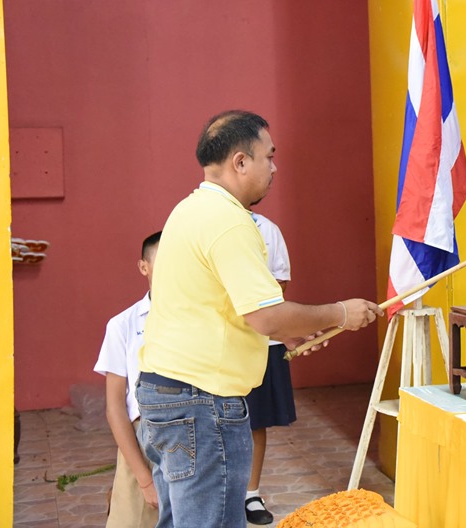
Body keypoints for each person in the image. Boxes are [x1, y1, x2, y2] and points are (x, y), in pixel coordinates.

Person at [137, 110, 383, 527]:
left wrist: (291, 331)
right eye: (269, 156)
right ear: (240, 162)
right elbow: (266, 315)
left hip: (166, 393)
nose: (274, 168)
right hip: (202, 403)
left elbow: (219, 307)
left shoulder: (187, 210)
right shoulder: (229, 221)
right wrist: (342, 313)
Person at [94, 231, 162, 528]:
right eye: (163, 262)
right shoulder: (123, 324)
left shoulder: (202, 318)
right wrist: (144, 479)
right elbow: (115, 407)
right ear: (143, 267)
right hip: (142, 442)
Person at [244, 211, 293, 525]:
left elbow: (280, 283)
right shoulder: (202, 218)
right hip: (213, 341)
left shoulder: (267, 229)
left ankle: (251, 494)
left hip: (261, 338)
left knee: (255, 419)